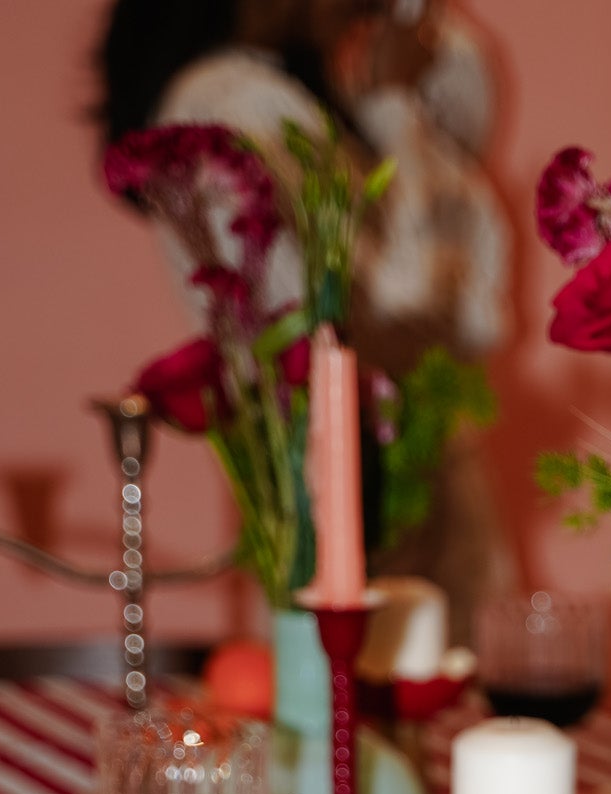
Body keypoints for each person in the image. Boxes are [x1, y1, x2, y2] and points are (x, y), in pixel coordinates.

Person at [96, 0, 512, 635]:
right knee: (352, 703)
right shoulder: (225, 100)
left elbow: (465, 88)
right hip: (339, 485)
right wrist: (397, 110)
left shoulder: (309, 91)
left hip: (412, 469)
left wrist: (401, 68)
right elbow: (413, 301)